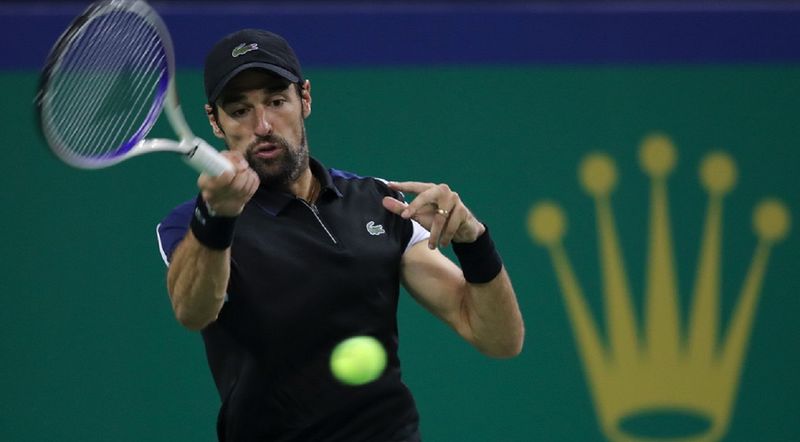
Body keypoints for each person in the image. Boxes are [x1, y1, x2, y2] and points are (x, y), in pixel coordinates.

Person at [156, 28, 524, 442]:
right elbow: (193, 311)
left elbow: (499, 339)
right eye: (240, 110)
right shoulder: (193, 223)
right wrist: (216, 217)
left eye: (276, 102)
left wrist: (474, 241)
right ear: (215, 121)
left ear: (305, 98)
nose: (263, 125)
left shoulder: (377, 202)